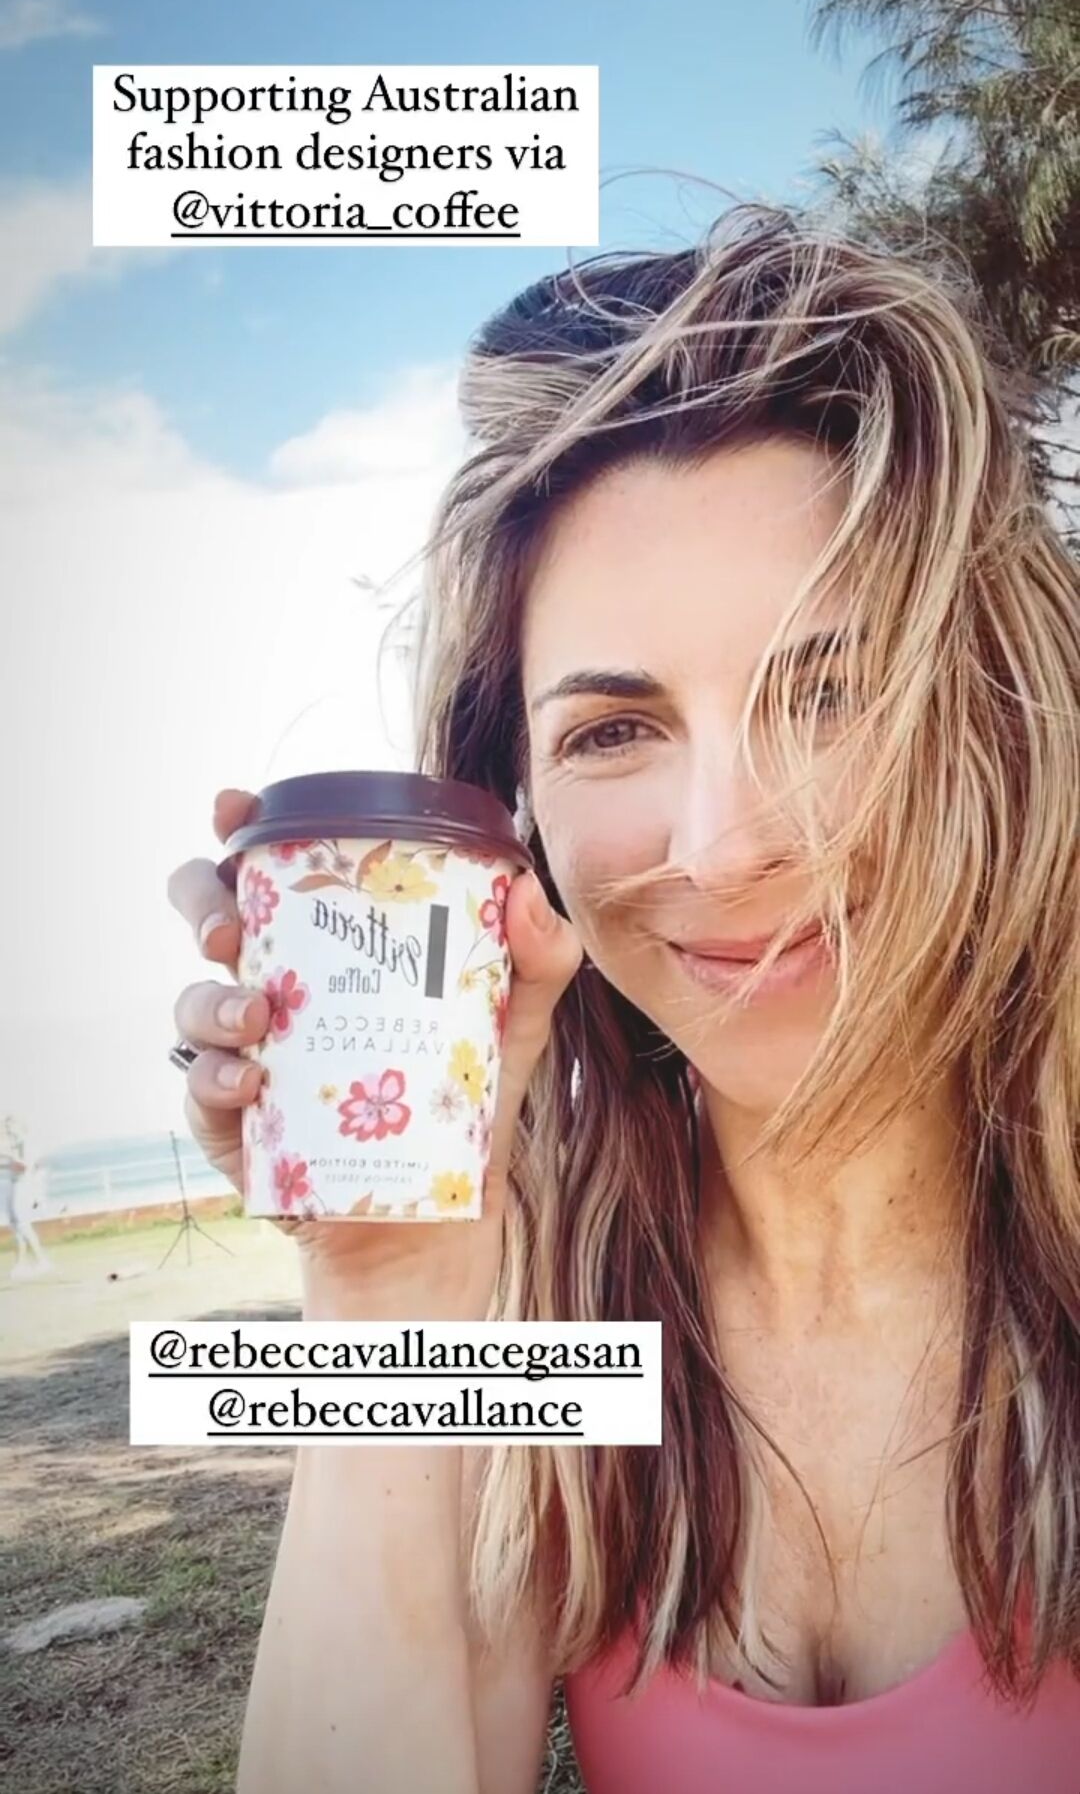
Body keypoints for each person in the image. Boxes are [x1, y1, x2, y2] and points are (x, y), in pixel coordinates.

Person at [166, 201, 1080, 1793]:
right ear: (511, 820)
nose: (723, 845)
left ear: (999, 717)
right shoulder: (550, 1325)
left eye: (832, 691)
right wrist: (386, 1294)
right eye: (612, 730)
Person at [3, 1156, 53, 1279]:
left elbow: (23, 1166)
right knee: (16, 1227)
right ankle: (22, 1263)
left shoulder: (21, 1151)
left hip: (22, 1185)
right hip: (13, 1184)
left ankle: (41, 1260)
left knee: (23, 1225)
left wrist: (9, 1165)